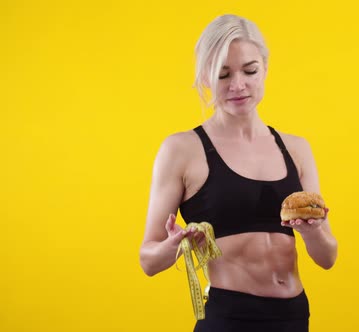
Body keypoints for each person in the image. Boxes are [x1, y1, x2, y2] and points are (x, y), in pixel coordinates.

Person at [139, 14, 338, 332]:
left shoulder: (296, 148)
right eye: (223, 74)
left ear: (266, 68)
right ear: (205, 77)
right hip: (229, 319)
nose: (238, 85)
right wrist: (176, 245)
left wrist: (312, 230)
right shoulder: (182, 149)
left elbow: (328, 256)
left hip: (294, 317)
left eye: (250, 70)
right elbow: (148, 261)